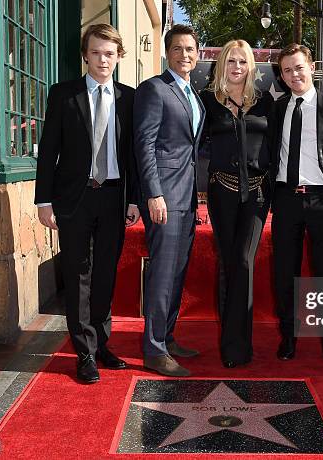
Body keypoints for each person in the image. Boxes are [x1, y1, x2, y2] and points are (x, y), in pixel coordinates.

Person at [35, 24, 139, 383]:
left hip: (113, 196)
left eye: (109, 53)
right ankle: (84, 353)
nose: (102, 60)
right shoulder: (64, 95)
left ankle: (101, 344)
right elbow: (48, 152)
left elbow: (134, 156)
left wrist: (135, 200)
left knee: (105, 273)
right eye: (95, 53)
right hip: (74, 200)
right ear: (86, 55)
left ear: (118, 56)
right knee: (79, 275)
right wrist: (44, 201)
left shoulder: (129, 98)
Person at [269, 44, 323, 363]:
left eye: (299, 68)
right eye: (287, 70)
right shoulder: (277, 109)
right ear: (282, 75)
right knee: (285, 274)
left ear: (312, 67)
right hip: (287, 199)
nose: (294, 75)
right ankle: (288, 337)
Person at [134, 24, 205, 377]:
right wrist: (154, 194)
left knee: (177, 272)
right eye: (177, 49)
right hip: (164, 198)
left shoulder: (194, 95)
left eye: (190, 49)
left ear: (198, 53)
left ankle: (168, 336)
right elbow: (144, 145)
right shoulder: (154, 90)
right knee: (162, 273)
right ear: (167, 52)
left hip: (187, 199)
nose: (184, 55)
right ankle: (154, 349)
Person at [199, 40, 273, 368]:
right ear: (221, 65)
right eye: (231, 61)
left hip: (257, 194)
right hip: (222, 192)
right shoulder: (207, 101)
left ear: (251, 66)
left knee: (244, 261)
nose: (237, 67)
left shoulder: (264, 102)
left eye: (242, 61)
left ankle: (237, 344)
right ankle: (232, 343)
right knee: (230, 263)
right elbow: (194, 146)